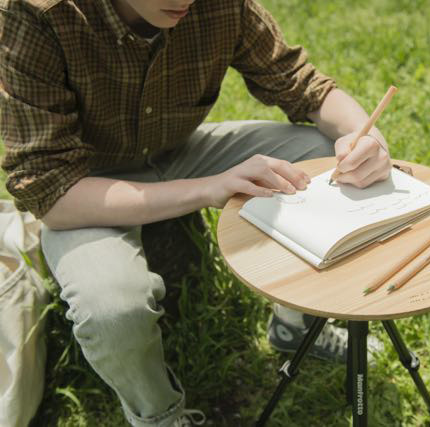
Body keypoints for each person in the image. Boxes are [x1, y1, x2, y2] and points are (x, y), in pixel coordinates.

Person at [0, 0, 391, 425]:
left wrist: (363, 137)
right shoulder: (36, 14)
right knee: (113, 308)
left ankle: (293, 325)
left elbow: (302, 84)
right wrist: (206, 191)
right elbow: (50, 194)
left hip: (180, 151)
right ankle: (160, 416)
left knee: (318, 156)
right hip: (86, 184)